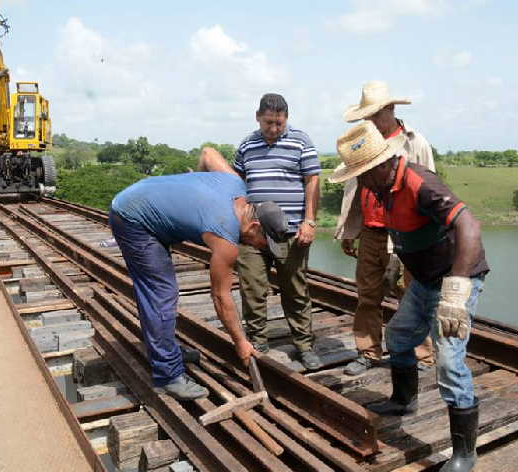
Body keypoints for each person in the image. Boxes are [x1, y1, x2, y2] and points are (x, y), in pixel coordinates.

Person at [329, 121, 489, 472]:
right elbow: (406, 231)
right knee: (399, 336)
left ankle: (465, 452)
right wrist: (396, 263)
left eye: (366, 174)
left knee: (449, 361)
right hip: (425, 279)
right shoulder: (381, 186)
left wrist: (457, 290)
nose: (364, 183)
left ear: (384, 162)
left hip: (455, 279)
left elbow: (469, 226)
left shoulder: (419, 182)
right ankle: (404, 400)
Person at [109, 148, 289, 400]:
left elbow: (207, 154)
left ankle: (166, 350)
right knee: (161, 293)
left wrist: (199, 182)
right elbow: (220, 297)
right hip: (131, 217)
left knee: (164, 292)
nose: (261, 248)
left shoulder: (237, 185)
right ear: (255, 225)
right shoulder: (225, 233)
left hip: (144, 197)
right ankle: (167, 376)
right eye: (264, 243)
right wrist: (240, 341)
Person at [336, 80, 436, 376]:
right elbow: (353, 188)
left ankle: (421, 355)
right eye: (366, 116)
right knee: (367, 294)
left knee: (410, 294)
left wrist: (425, 238)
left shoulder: (414, 142)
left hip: (406, 233)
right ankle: (368, 351)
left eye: (374, 115)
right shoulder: (362, 140)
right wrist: (349, 230)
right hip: (371, 231)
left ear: (390, 110)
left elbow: (429, 187)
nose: (370, 121)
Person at [233, 93, 323, 370]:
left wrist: (309, 221)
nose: (273, 129)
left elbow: (312, 180)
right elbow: (236, 183)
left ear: (286, 118)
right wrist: (240, 221)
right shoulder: (247, 145)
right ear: (257, 117)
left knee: (295, 289)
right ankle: (258, 342)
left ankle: (304, 345)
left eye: (279, 123)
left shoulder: (300, 141)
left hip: (291, 232)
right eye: (269, 123)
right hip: (253, 233)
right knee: (252, 289)